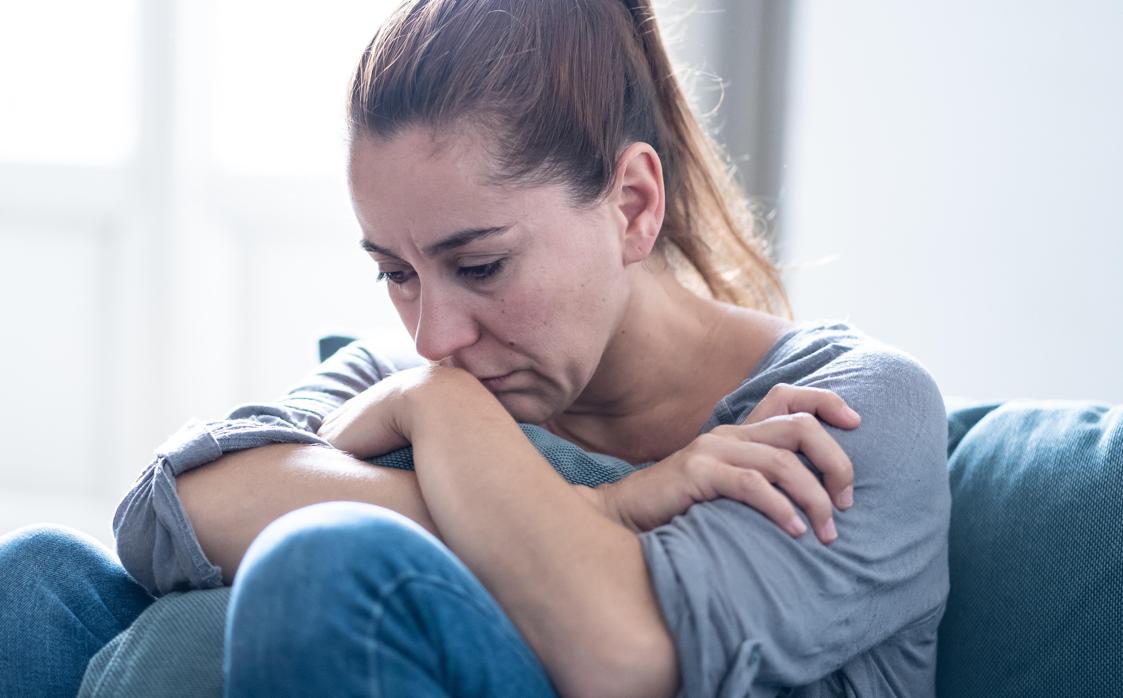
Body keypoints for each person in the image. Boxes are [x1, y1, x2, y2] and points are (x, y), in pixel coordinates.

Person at [0, 1, 951, 696]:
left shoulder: (845, 411)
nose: (435, 336)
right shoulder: (420, 375)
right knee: (34, 578)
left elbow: (617, 650)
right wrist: (604, 501)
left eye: (482, 265)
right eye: (396, 272)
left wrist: (442, 419)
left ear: (631, 205)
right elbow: (171, 511)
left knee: (322, 567)